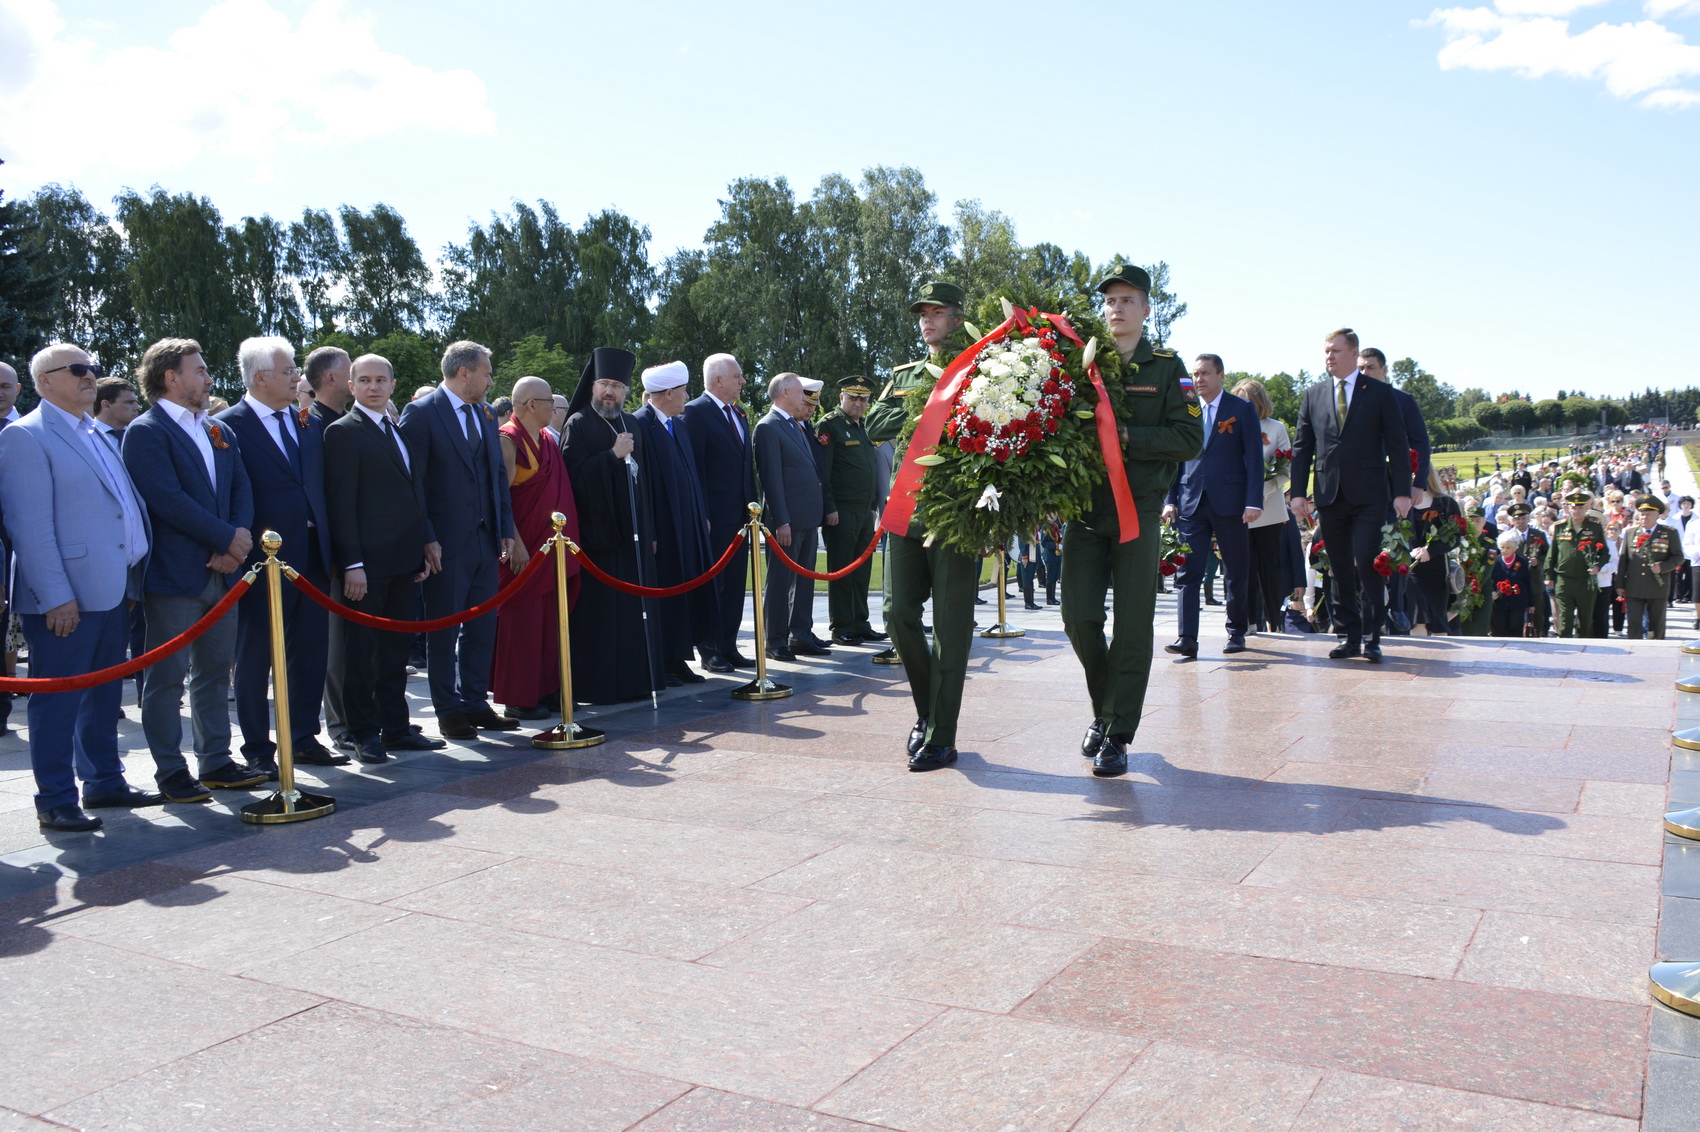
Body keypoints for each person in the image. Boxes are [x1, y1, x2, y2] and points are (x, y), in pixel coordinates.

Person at [0, 344, 158, 830]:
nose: (91, 377)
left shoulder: (95, 431)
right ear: (45, 381)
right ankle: (55, 798)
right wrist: (56, 596)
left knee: (105, 695)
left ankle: (104, 782)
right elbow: (29, 527)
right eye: (78, 370)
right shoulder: (26, 437)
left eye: (92, 369)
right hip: (66, 599)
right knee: (58, 699)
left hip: (112, 589)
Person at [1066, 265, 1203, 777]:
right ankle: (1107, 711)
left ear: (1147, 309)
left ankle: (1118, 734)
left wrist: (1127, 438)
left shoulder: (1167, 367)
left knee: (1131, 626)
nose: (1117, 308)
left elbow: (1191, 439)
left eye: (1128, 300)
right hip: (1084, 509)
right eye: (1110, 301)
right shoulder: (1083, 363)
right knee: (1078, 617)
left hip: (1139, 511)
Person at [121, 338, 263, 802]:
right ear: (171, 378)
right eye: (199, 370)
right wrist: (225, 538)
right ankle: (169, 769)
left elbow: (241, 486)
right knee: (165, 677)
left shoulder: (218, 430)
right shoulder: (146, 431)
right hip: (176, 574)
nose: (208, 378)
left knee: (214, 670)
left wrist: (237, 543)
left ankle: (216, 760)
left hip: (223, 573)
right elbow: (166, 499)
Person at [217, 337, 347, 772]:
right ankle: (257, 748)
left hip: (310, 554)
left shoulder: (307, 422)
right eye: (289, 370)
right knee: (257, 656)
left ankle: (304, 737)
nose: (297, 377)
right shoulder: (226, 426)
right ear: (260, 378)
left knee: (310, 649)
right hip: (260, 560)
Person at [871, 281, 981, 771]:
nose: (927, 320)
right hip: (904, 508)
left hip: (955, 512)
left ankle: (942, 735)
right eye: (922, 313)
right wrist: (925, 405)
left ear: (958, 318)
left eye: (937, 312)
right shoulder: (906, 374)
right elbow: (875, 424)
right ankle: (928, 712)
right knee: (896, 614)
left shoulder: (980, 367)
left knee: (951, 628)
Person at [398, 341, 519, 740]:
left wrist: (504, 527)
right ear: (464, 373)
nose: (490, 380)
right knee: (443, 627)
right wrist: (426, 537)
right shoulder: (422, 412)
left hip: (485, 539)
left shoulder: (485, 413)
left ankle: (474, 702)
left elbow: (496, 475)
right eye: (486, 373)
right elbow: (412, 483)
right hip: (445, 543)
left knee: (482, 625)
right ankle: (448, 710)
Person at [323, 355, 441, 763]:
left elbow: (415, 492)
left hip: (405, 561)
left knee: (395, 650)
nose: (374, 387)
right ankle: (362, 732)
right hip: (366, 567)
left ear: (392, 385)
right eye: (365, 380)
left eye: (381, 380)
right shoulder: (342, 432)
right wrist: (351, 563)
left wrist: (426, 543)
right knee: (362, 652)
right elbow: (342, 504)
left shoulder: (397, 429)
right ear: (351, 387)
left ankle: (395, 727)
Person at [1289, 328, 1411, 663]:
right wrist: (1298, 493)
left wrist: (1402, 491)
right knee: (1338, 568)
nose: (1329, 357)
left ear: (1353, 353)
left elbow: (1398, 444)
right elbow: (1302, 448)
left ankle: (1373, 637)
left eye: (1335, 351)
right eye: (1326, 351)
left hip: (1371, 495)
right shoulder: (1314, 395)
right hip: (1330, 495)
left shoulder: (1380, 393)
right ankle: (1348, 635)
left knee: (1368, 562)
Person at [560, 347, 663, 703]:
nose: (609, 391)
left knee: (635, 610)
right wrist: (610, 457)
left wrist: (649, 531)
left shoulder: (631, 422)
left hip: (634, 537)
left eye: (617, 386)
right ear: (592, 387)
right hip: (599, 539)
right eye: (604, 383)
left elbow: (645, 481)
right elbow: (572, 479)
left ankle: (635, 682)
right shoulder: (577, 424)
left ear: (626, 392)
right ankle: (600, 686)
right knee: (602, 615)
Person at [491, 375, 580, 718]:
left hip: (550, 549)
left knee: (547, 623)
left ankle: (543, 691)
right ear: (531, 405)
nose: (555, 411)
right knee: (522, 623)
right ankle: (517, 698)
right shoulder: (508, 440)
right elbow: (502, 499)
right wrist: (514, 543)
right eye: (550, 404)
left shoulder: (546, 440)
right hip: (522, 549)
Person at [1164, 354, 1262, 656]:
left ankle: (1236, 632)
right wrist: (1170, 500)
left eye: (1205, 373)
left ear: (1221, 375)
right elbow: (1176, 457)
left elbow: (1253, 459)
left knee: (1235, 571)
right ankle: (1187, 638)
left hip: (1231, 504)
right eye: (1195, 374)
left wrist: (1252, 501)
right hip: (1191, 503)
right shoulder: (1186, 410)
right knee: (1187, 573)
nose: (1199, 380)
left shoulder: (1241, 409)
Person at [631, 361, 714, 685]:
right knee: (665, 592)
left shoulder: (676, 424)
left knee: (685, 591)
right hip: (663, 529)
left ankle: (679, 658)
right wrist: (649, 530)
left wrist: (700, 514)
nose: (686, 396)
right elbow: (643, 485)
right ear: (667, 393)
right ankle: (664, 660)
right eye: (682, 390)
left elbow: (691, 474)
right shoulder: (641, 424)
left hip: (687, 523)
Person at [680, 353, 757, 673]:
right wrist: (701, 512)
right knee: (712, 583)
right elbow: (693, 466)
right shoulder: (695, 412)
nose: (742, 381)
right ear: (718, 380)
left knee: (736, 584)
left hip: (740, 515)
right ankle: (709, 649)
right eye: (737, 376)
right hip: (713, 515)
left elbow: (743, 465)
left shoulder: (738, 413)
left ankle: (728, 644)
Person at [754, 373, 833, 660]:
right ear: (785, 393)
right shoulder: (768, 427)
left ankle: (799, 633)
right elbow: (771, 480)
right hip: (787, 522)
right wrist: (782, 521)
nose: (804, 399)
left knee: (804, 581)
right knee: (779, 583)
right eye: (800, 392)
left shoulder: (795, 426)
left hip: (807, 518)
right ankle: (774, 641)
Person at [303, 345, 355, 748]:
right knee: (334, 645)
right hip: (330, 550)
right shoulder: (311, 423)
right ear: (333, 377)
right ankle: (340, 726)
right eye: (352, 371)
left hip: (359, 545)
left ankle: (359, 717)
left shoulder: (348, 420)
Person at [817, 378, 884, 644]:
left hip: (863, 512)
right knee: (842, 570)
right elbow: (824, 472)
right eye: (853, 397)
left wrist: (871, 508)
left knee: (861, 571)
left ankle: (860, 622)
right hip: (841, 512)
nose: (858, 403)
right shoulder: (829, 425)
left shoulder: (865, 427)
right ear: (841, 396)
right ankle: (842, 625)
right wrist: (830, 507)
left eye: (863, 399)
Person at [1234, 379, 1292, 634]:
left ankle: (1275, 621)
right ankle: (1249, 620)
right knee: (1245, 566)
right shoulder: (1230, 426)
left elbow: (1286, 468)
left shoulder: (1276, 428)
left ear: (1259, 401)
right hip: (1239, 511)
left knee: (1270, 567)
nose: (1243, 404)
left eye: (1248, 399)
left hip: (1270, 509)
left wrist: (1261, 492)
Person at [1405, 468, 1463, 636]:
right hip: (1412, 570)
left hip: (1436, 569)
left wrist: (1430, 551)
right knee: (1418, 618)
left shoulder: (1445, 503)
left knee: (1437, 621)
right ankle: (1421, 657)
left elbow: (1454, 537)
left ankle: (1439, 659)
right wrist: (1410, 550)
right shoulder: (1402, 502)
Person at [1621, 497, 1684, 639]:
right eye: (1642, 514)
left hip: (1657, 587)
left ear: (1657, 515)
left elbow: (1678, 557)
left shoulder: (1669, 533)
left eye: (1649, 514)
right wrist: (1620, 584)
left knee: (1656, 626)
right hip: (1634, 586)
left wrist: (1662, 567)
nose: (1644, 517)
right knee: (1634, 625)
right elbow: (1624, 560)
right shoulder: (1631, 533)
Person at [1551, 490, 1607, 638]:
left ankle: (1584, 648)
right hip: (1564, 580)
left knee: (1585, 619)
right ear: (1569, 508)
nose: (1577, 511)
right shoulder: (1560, 527)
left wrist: (1597, 566)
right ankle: (1565, 648)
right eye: (1574, 507)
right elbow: (1553, 554)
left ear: (1586, 508)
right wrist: (1549, 576)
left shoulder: (1594, 527)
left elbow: (1604, 553)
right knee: (1565, 618)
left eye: (1581, 507)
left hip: (1585, 580)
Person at [1503, 502, 1550, 638]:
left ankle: (1538, 635)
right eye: (1517, 519)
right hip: (1515, 580)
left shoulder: (1538, 534)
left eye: (1523, 518)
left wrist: (1538, 562)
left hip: (1534, 579)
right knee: (1516, 614)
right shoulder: (1508, 536)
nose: (1521, 521)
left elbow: (1547, 555)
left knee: (1537, 613)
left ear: (1528, 518)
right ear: (1513, 520)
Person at [1489, 530, 1532, 637]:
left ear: (1515, 548)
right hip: (1499, 602)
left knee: (1516, 627)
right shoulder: (1494, 561)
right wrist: (1492, 591)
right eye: (1502, 547)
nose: (1505, 550)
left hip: (1517, 602)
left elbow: (1527, 582)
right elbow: (1489, 579)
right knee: (1499, 629)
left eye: (1508, 548)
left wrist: (1531, 604)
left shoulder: (1522, 562)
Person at [93, 376, 142, 441]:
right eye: (130, 402)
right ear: (106, 405)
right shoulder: (87, 436)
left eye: (136, 402)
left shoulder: (140, 435)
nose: (137, 407)